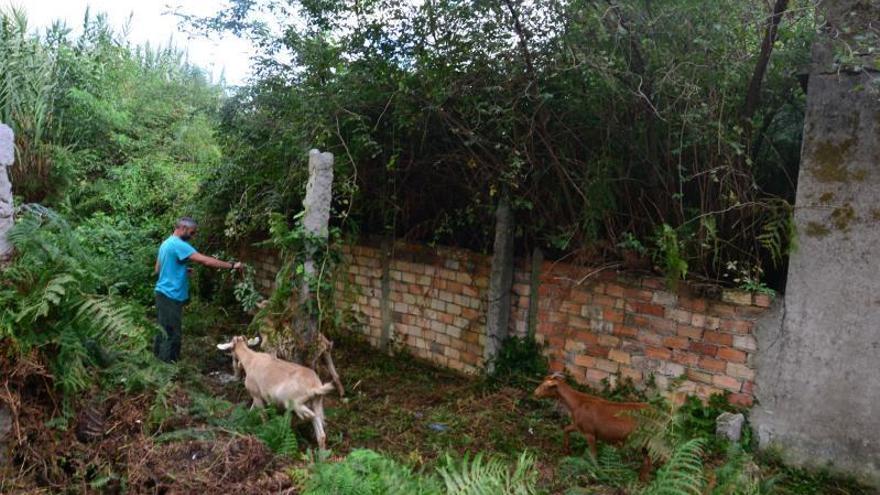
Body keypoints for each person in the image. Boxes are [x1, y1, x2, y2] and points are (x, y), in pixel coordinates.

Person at [153, 216, 243, 362]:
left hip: (162, 294)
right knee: (173, 334)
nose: (192, 236)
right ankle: (168, 369)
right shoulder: (179, 244)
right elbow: (205, 260)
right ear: (183, 228)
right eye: (192, 233)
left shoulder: (166, 243)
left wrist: (181, 269)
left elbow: (158, 269)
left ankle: (156, 361)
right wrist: (232, 265)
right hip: (170, 295)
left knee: (163, 329)